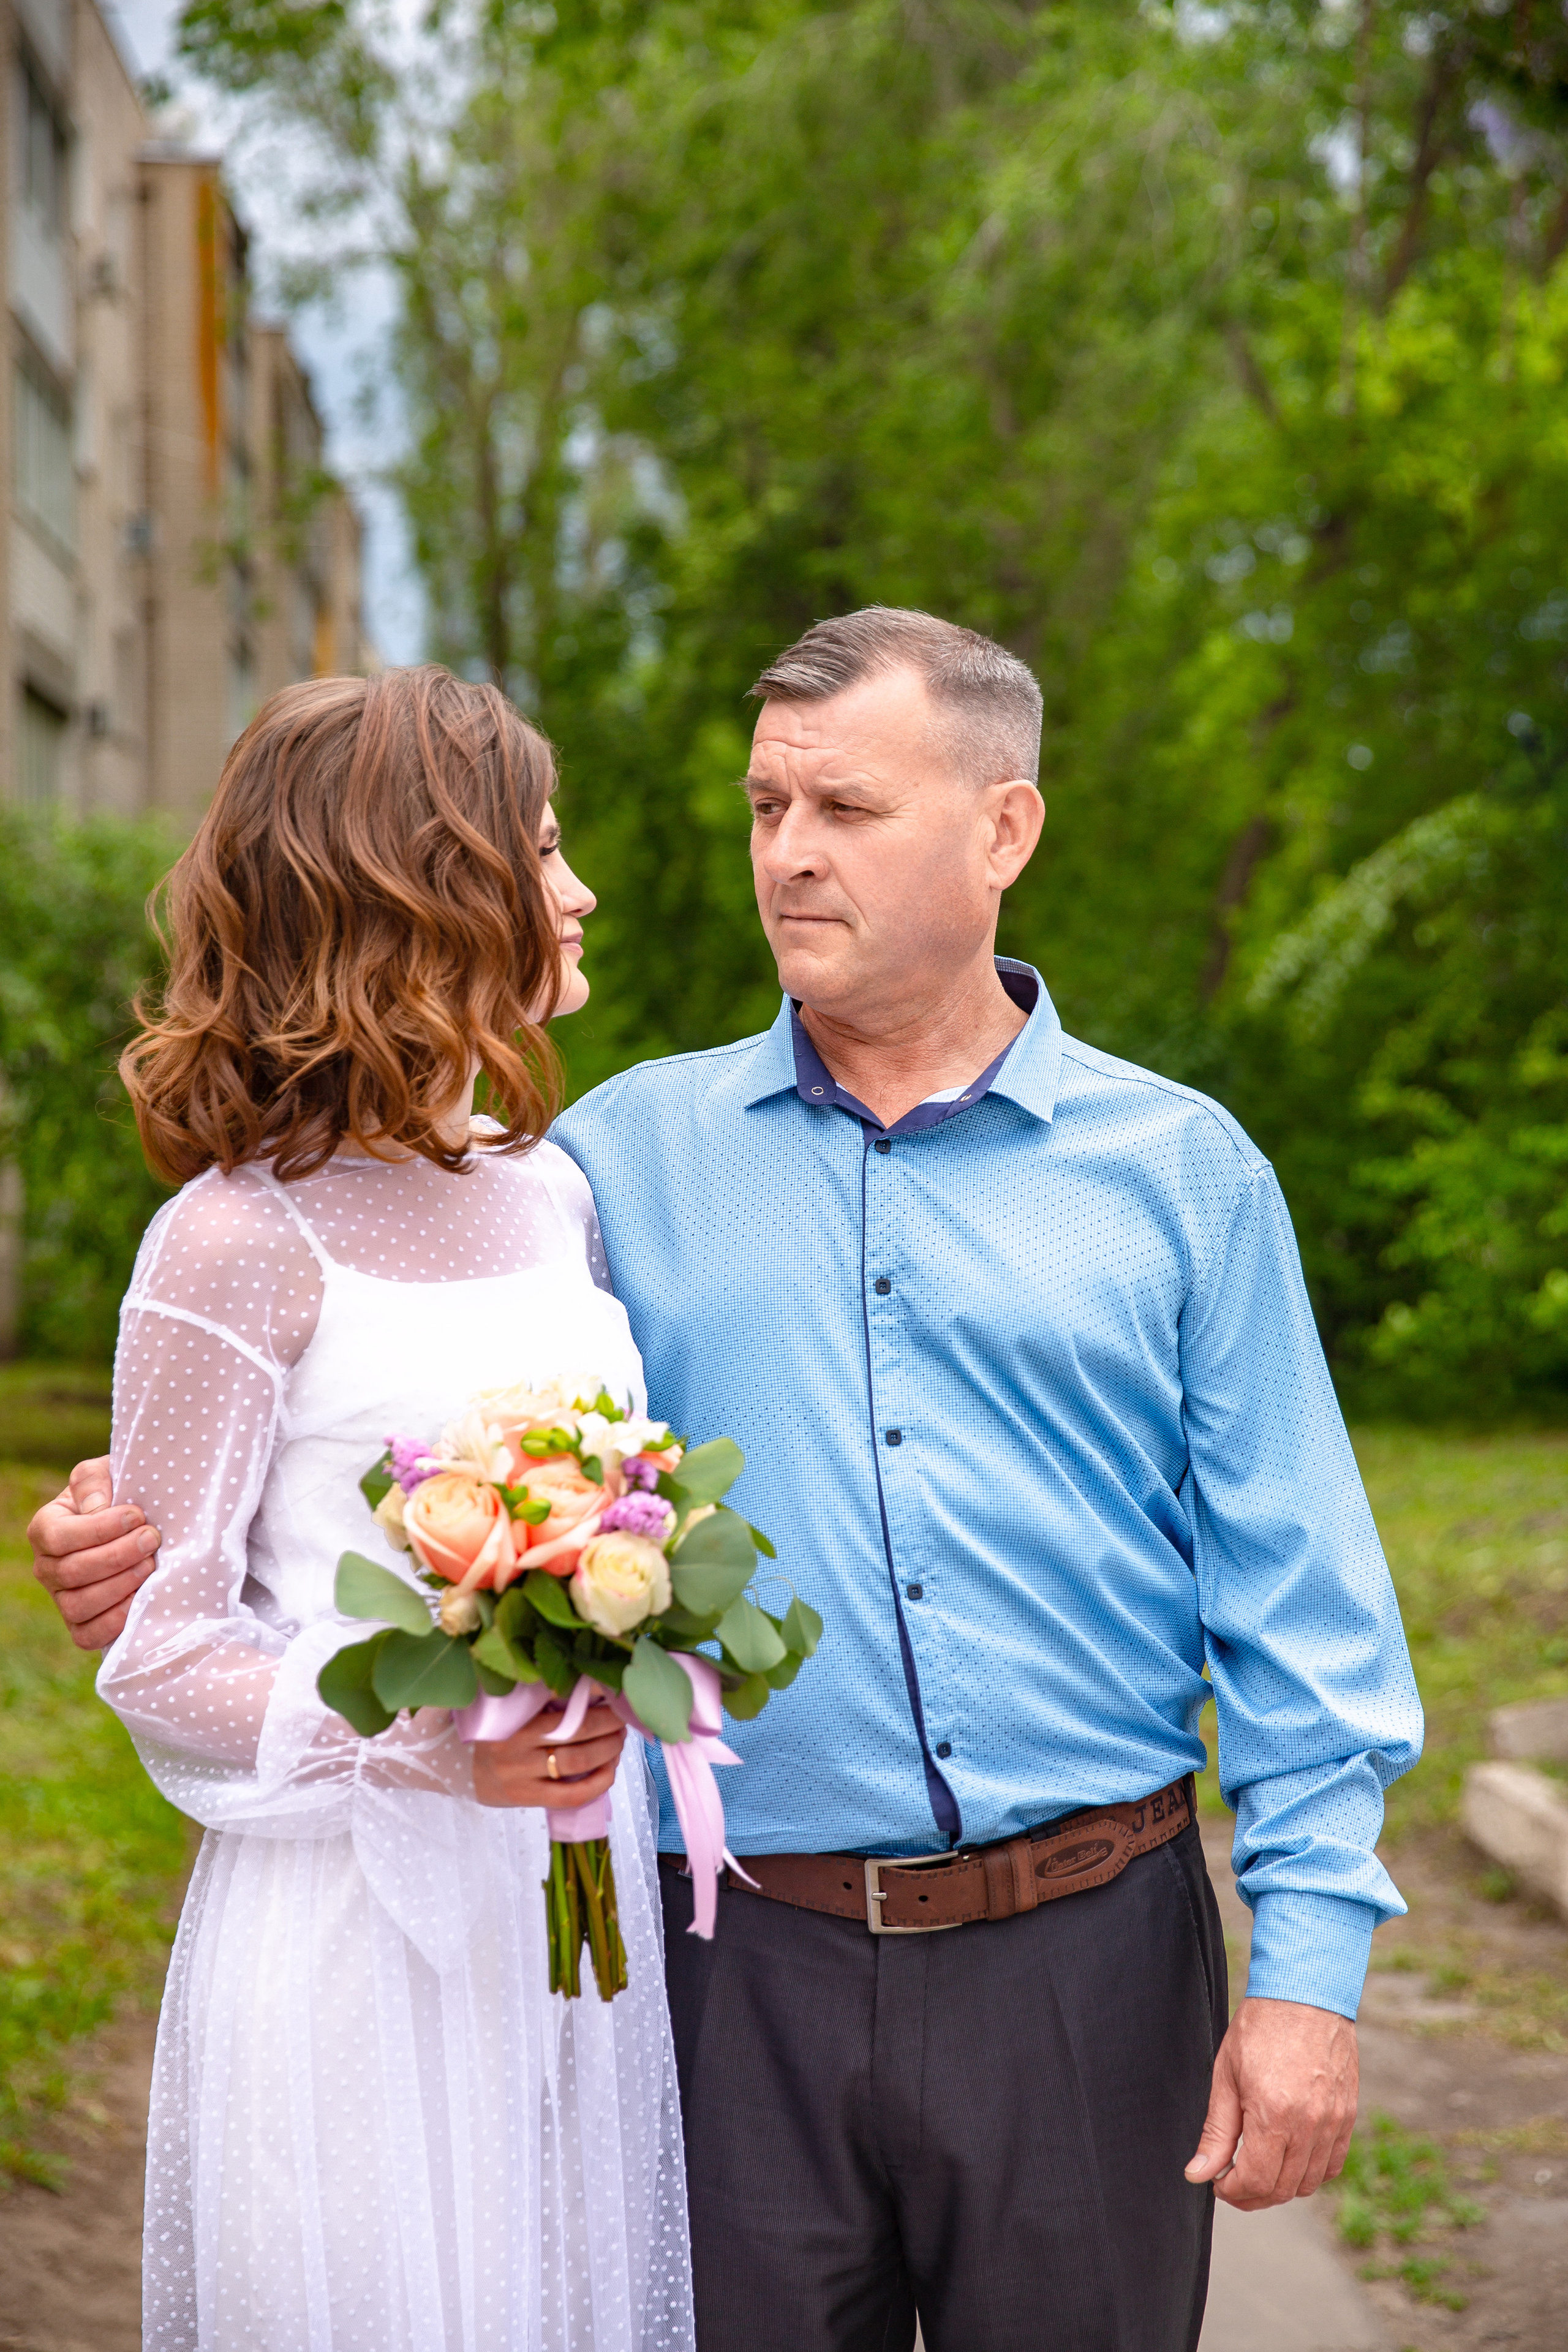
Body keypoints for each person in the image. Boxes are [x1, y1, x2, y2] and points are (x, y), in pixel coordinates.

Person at [37, 609, 1423, 2352]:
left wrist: (1309, 1980)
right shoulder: (605, 1165)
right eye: (768, 805)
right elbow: (407, 1386)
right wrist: (137, 1517)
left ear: (1005, 832)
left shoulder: (1183, 1177)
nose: (789, 853)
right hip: (721, 1976)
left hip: (1091, 1963)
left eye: (844, 808)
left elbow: (1306, 1616)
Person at [53, 667, 694, 2352]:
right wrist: (428, 1744)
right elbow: (167, 1643)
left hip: (565, 1909)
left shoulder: (547, 1193)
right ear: (420, 892)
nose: (578, 891)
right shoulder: (230, 1241)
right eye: (540, 853)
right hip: (354, 1921)